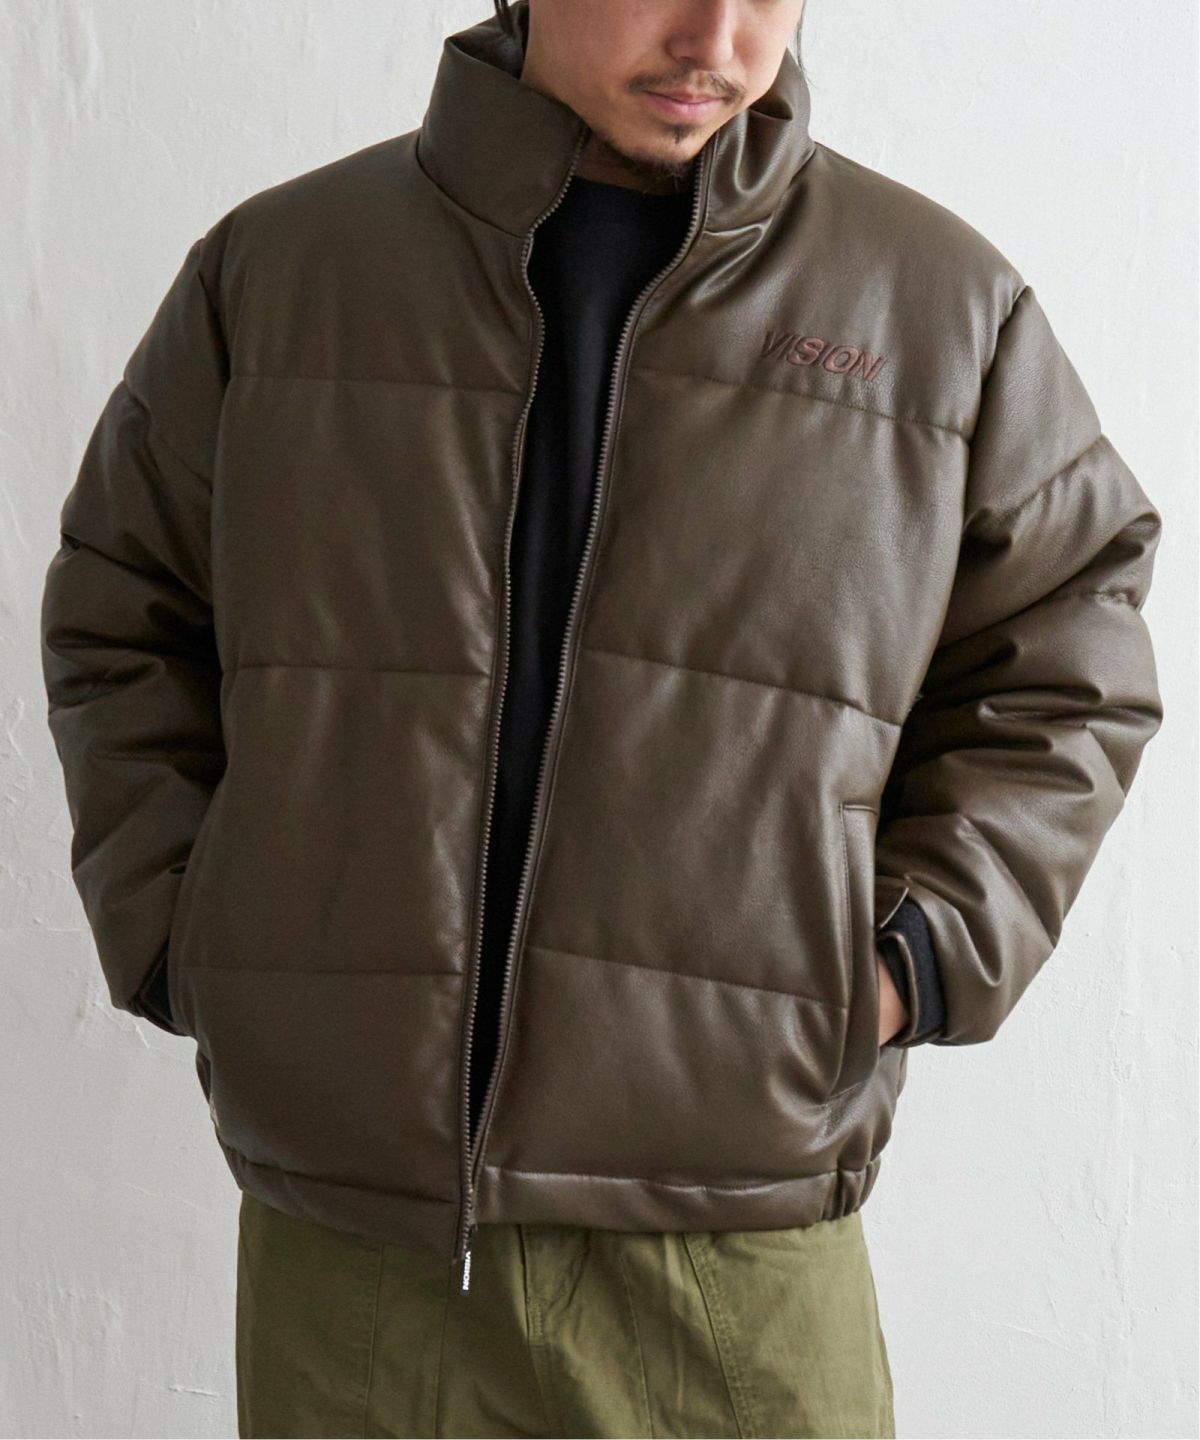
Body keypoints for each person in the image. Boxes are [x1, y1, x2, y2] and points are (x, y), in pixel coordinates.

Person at [40, 0, 1164, 1435]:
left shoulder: (936, 304)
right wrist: (192, 932)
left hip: (734, 1228)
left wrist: (912, 956)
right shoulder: (282, 272)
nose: (718, 39)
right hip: (356, 1242)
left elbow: (1071, 650)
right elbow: (122, 612)